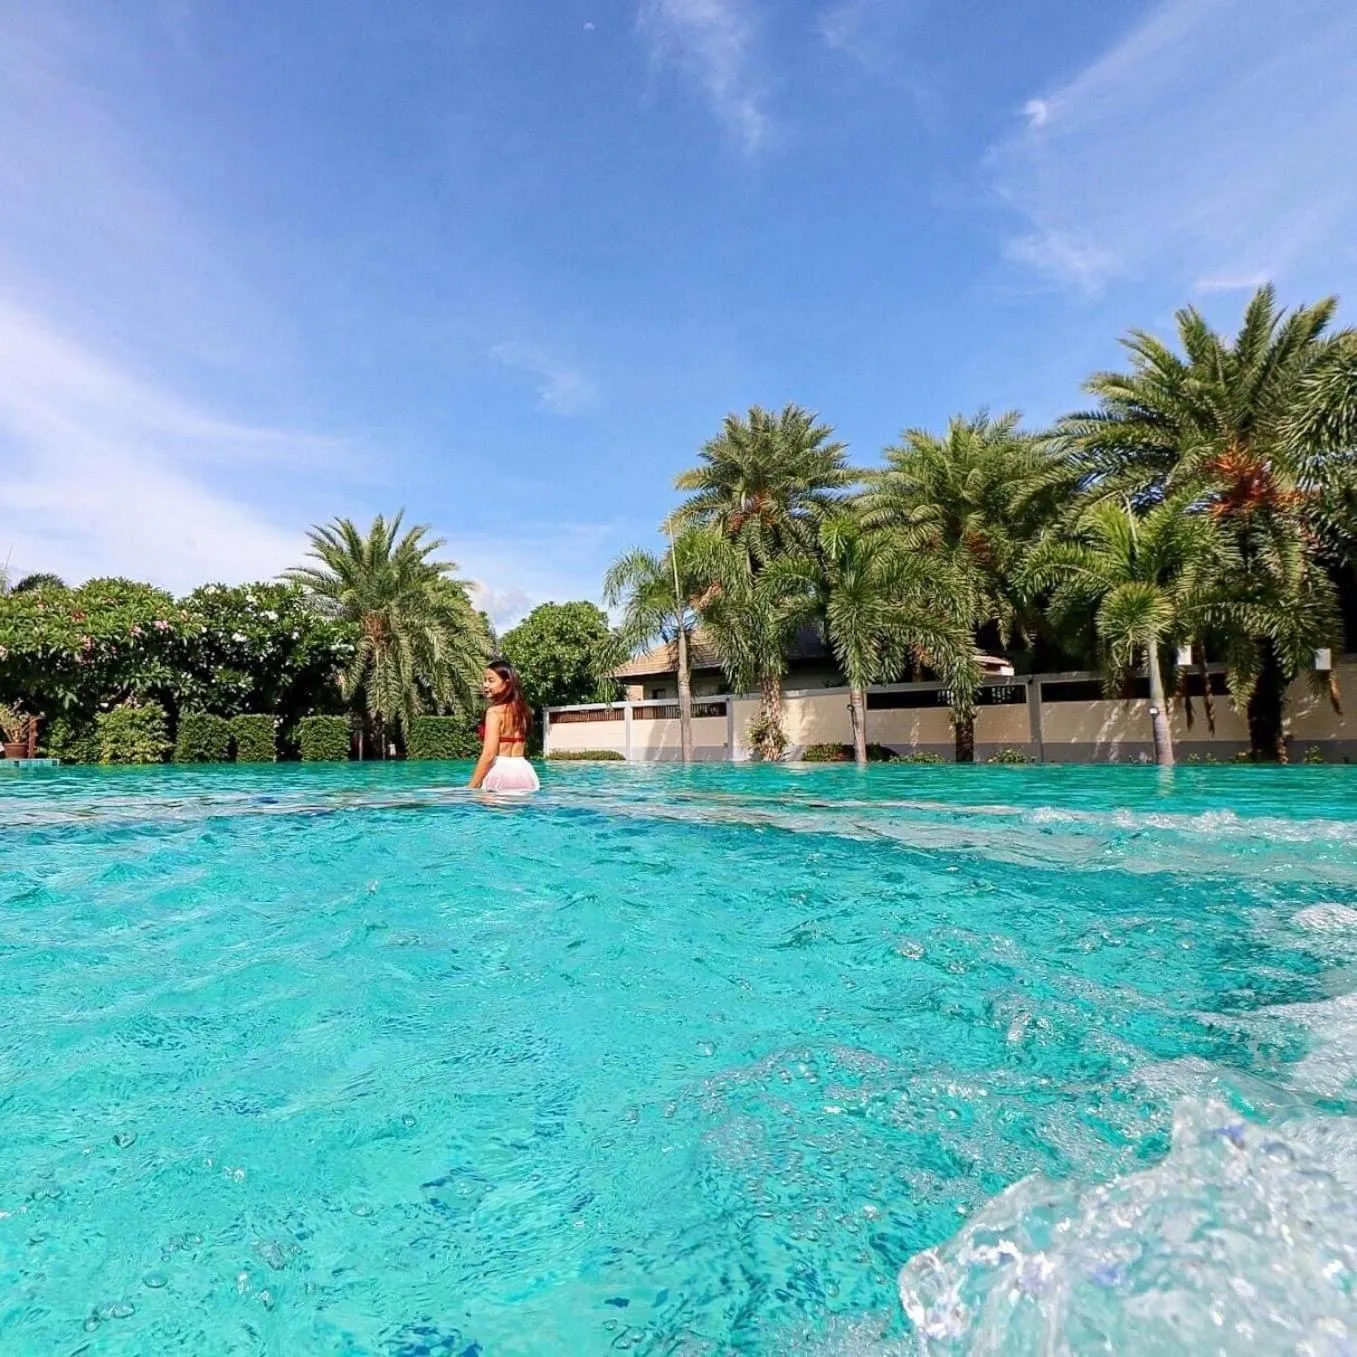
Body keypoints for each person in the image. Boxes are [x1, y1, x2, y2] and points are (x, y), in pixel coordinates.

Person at [469, 660, 540, 793]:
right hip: (525, 772)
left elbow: (489, 755)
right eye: (484, 680)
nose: (485, 685)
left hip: (500, 772)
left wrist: (471, 787)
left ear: (507, 682)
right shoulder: (524, 711)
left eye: (491, 680)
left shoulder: (494, 712)